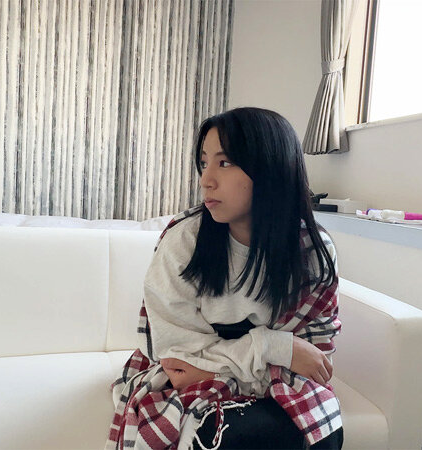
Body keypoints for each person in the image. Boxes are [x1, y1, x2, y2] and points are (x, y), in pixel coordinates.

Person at [107, 107, 343, 450]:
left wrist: (217, 367)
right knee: (221, 435)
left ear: (271, 169)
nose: (206, 179)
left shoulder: (311, 251)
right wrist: (275, 347)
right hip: (186, 380)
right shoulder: (184, 241)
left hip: (280, 383)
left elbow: (315, 360)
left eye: (225, 162)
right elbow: (177, 359)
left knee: (322, 432)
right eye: (204, 163)